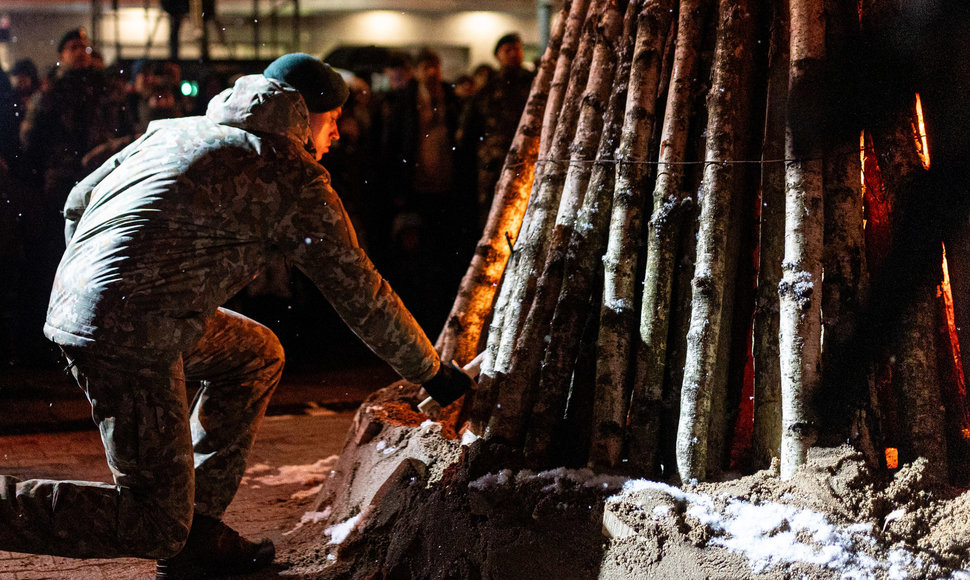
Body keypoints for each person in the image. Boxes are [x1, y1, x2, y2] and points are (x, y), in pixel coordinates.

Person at [0, 52, 473, 578]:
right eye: (333, 120)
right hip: (133, 332)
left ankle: (196, 538)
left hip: (102, 306)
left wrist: (89, 288)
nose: (338, 135)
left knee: (256, 354)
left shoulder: (176, 130)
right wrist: (430, 371)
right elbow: (362, 294)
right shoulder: (291, 175)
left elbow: (77, 199)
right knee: (153, 521)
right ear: (302, 115)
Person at [458, 33, 535, 227]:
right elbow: (470, 126)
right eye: (507, 50)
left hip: (527, 157)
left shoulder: (533, 83)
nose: (513, 54)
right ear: (498, 55)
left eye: (516, 49)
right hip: (494, 161)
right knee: (492, 211)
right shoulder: (489, 87)